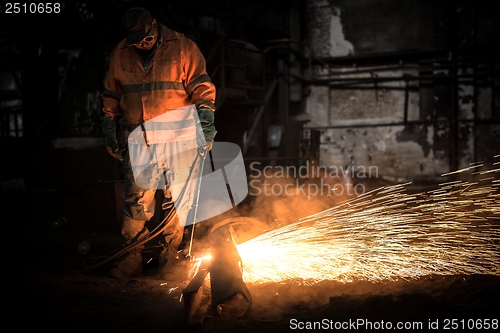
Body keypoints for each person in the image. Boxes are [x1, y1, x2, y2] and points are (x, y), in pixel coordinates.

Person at [100, 7, 216, 279]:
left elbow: (202, 89)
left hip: (179, 140)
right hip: (141, 141)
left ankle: (170, 257)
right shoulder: (121, 52)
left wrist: (206, 126)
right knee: (137, 202)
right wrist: (110, 129)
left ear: (154, 24)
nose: (142, 43)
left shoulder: (183, 47)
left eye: (145, 37)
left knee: (176, 201)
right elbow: (111, 95)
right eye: (136, 40)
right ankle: (132, 258)